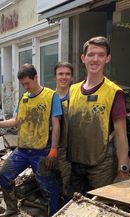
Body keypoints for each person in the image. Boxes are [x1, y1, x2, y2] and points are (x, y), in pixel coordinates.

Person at [0, 64, 62, 217]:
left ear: (36, 77)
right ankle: (12, 208)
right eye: (22, 84)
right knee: (4, 175)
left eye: (27, 83)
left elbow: (56, 124)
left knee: (48, 186)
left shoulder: (51, 96)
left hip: (42, 151)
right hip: (23, 150)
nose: (25, 87)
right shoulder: (24, 99)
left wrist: (53, 149)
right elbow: (17, 121)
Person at [67, 36, 129, 194]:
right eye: (91, 54)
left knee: (101, 208)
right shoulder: (72, 90)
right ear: (83, 58)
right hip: (74, 162)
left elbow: (121, 134)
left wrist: (123, 168)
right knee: (75, 208)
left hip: (101, 165)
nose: (95, 59)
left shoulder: (114, 92)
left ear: (108, 58)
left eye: (101, 55)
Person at [54, 62, 74, 201]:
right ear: (55, 76)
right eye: (61, 73)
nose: (64, 77)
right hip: (53, 149)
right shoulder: (49, 97)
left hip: (73, 149)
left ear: (72, 77)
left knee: (69, 183)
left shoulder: (77, 97)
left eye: (67, 74)